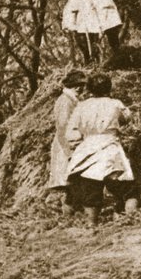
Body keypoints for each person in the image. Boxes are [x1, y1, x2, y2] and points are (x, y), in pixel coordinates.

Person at [64, 72, 137, 225]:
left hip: (88, 147)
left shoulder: (82, 106)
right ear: (109, 88)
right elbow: (127, 118)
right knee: (126, 187)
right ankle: (132, 220)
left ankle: (91, 224)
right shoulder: (115, 103)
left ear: (90, 89)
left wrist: (78, 143)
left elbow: (72, 131)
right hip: (110, 146)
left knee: (91, 188)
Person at [48, 70, 86, 214]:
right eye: (79, 85)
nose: (81, 88)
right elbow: (63, 127)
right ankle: (68, 214)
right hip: (67, 145)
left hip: (73, 143)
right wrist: (70, 150)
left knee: (75, 182)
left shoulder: (71, 100)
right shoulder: (65, 101)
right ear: (74, 86)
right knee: (71, 182)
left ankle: (72, 213)